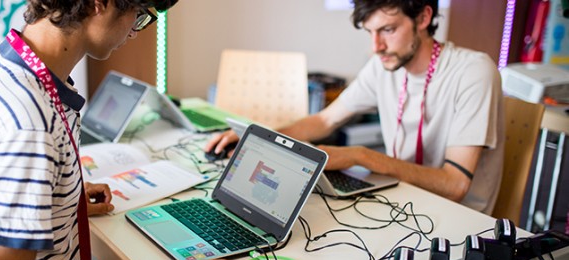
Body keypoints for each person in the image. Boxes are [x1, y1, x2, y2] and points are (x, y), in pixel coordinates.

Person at [0, 0, 260, 260]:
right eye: (140, 16)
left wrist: (50, 203)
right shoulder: (28, 124)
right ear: (99, 5)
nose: (135, 32)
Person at [206, 0, 504, 215]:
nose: (376, 46)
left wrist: (361, 156)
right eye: (370, 32)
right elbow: (323, 121)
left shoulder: (473, 71)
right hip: (403, 200)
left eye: (388, 30)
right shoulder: (383, 65)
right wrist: (262, 137)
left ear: (424, 17)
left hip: (456, 220)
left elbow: (455, 185)